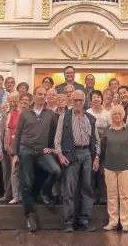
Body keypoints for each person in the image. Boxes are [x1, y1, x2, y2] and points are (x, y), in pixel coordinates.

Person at [12, 86, 61, 232]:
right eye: (39, 94)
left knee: (56, 171)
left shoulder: (50, 114)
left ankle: (45, 192)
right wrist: (15, 153)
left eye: (44, 94)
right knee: (26, 183)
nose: (42, 96)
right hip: (26, 149)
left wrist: (51, 148)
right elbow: (18, 134)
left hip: (42, 151)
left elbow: (54, 133)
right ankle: (29, 216)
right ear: (34, 95)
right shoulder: (25, 113)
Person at [54, 90, 100, 232]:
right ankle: (69, 222)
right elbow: (57, 139)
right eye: (75, 100)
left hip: (87, 154)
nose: (78, 103)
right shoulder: (64, 117)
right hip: (71, 154)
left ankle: (84, 220)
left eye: (81, 100)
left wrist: (97, 157)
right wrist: (60, 155)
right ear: (71, 101)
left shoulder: (90, 119)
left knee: (87, 188)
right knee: (69, 190)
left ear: (84, 101)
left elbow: (97, 140)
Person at [101, 105, 128, 232]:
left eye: (119, 114)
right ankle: (113, 221)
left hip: (126, 167)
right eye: (114, 114)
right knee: (111, 195)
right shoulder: (107, 130)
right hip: (109, 166)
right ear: (111, 116)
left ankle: (126, 222)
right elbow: (102, 148)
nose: (117, 116)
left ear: (123, 115)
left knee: (125, 195)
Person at [6, 92, 33, 204]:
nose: (24, 102)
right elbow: (9, 130)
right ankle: (15, 196)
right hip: (15, 147)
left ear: (30, 102)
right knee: (14, 171)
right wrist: (8, 145)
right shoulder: (14, 114)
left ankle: (24, 196)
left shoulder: (32, 114)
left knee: (26, 172)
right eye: (22, 100)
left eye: (26, 100)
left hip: (28, 147)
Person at [87, 90, 110, 204]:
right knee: (92, 170)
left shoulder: (107, 113)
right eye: (94, 97)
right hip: (91, 145)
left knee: (102, 171)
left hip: (105, 145)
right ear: (90, 100)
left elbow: (110, 129)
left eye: (98, 97)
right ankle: (92, 196)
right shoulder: (87, 112)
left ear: (102, 99)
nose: (96, 99)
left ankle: (103, 196)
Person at [0, 93, 20, 203]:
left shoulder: (22, 113)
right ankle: (7, 194)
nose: (13, 103)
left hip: (16, 147)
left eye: (15, 101)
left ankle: (16, 195)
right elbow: (1, 130)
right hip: (4, 146)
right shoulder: (4, 113)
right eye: (10, 101)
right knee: (5, 171)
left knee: (15, 172)